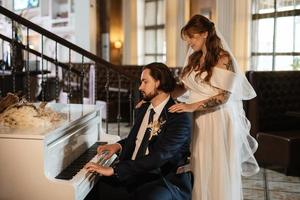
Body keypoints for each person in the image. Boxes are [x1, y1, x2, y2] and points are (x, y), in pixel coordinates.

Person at [168, 15, 259, 200]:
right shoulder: (194, 59)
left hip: (217, 118)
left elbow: (223, 97)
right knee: (199, 163)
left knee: (216, 165)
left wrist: (191, 106)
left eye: (192, 37)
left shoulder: (223, 59)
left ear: (205, 34)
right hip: (197, 118)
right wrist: (159, 96)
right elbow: (183, 87)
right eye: (188, 38)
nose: (189, 42)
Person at [84, 62, 193, 200]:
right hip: (134, 174)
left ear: (158, 83)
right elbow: (139, 139)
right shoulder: (143, 108)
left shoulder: (179, 118)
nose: (140, 87)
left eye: (145, 82)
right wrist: (118, 146)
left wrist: (115, 170)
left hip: (161, 179)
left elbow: (159, 157)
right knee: (92, 188)